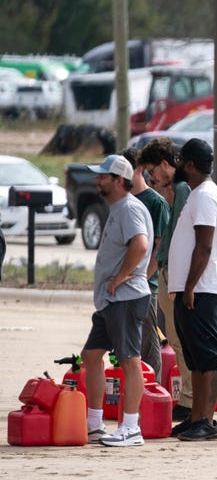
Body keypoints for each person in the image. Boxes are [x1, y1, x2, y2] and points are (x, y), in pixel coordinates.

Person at [80, 154, 153, 447]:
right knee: (91, 355)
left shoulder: (129, 209)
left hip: (126, 297)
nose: (97, 180)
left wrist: (123, 275)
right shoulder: (119, 207)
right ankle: (94, 424)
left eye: (103, 176)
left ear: (119, 181)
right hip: (112, 301)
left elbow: (141, 243)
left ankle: (131, 428)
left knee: (129, 360)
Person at [168, 139, 217, 442]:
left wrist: (190, 286)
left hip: (202, 288)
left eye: (180, 159)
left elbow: (204, 246)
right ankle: (195, 419)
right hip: (191, 288)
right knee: (193, 357)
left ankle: (207, 420)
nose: (177, 165)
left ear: (190, 165)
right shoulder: (197, 195)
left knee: (207, 357)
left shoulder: (205, 196)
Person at [144, 138, 194, 421]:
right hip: (168, 271)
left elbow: (183, 236)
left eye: (153, 170)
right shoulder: (175, 190)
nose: (152, 178)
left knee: (181, 340)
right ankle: (188, 396)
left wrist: (178, 280)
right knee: (175, 339)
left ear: (166, 164)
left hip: (174, 274)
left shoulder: (183, 189)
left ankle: (189, 399)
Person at [126, 147, 168, 379]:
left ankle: (154, 393)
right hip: (125, 283)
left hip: (145, 285)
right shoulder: (125, 200)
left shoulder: (155, 202)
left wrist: (144, 277)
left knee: (148, 344)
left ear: (139, 169)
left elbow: (159, 246)